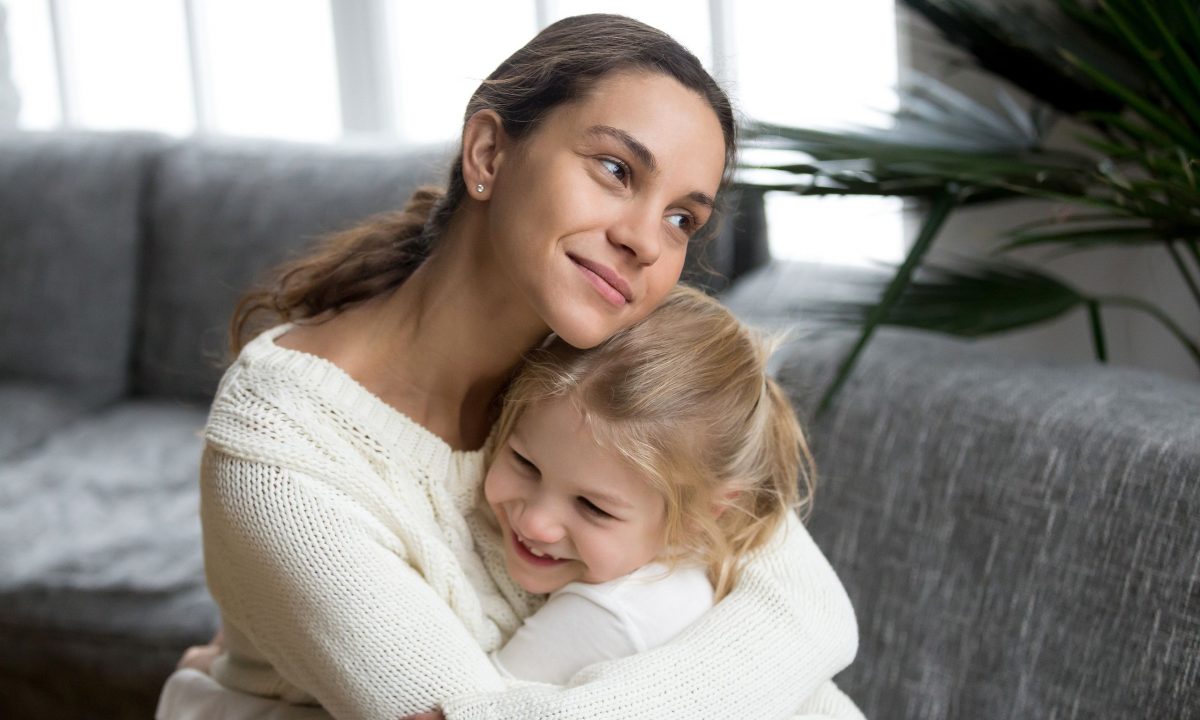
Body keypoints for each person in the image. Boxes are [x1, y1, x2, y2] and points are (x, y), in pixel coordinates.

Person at [160, 13, 858, 720]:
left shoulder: (616, 360)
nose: (647, 241)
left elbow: (809, 610)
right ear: (490, 154)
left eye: (682, 218)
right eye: (616, 170)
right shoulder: (283, 457)